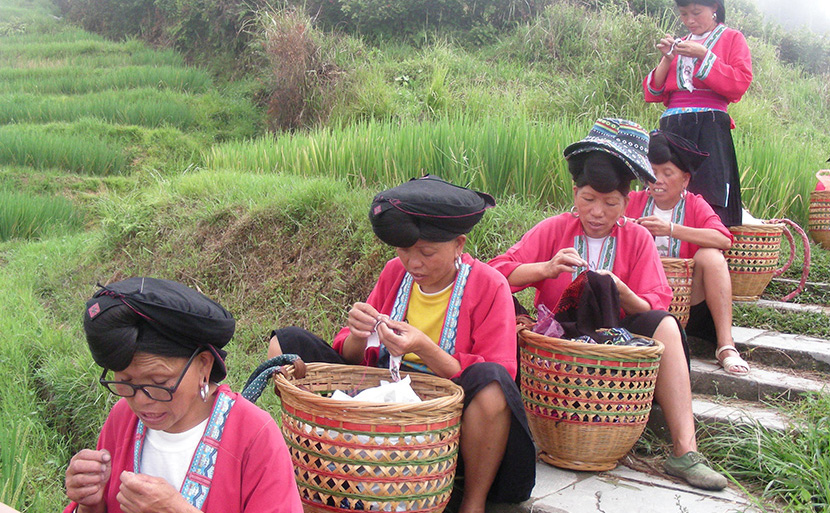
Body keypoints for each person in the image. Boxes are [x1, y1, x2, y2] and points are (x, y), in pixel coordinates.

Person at [267, 175, 536, 513]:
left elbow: (500, 371)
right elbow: (350, 357)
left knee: (493, 384)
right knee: (285, 346)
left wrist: (423, 347)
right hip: (385, 392)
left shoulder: (489, 284)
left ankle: (473, 501)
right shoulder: (395, 273)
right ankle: (315, 460)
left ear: (459, 245)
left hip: (449, 413)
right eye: (405, 251)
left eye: (427, 252)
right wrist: (358, 333)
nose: (414, 263)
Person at [489, 118, 728, 491]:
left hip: (619, 340)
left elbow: (656, 301)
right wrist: (546, 269)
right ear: (574, 193)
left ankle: (685, 451)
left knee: (665, 324)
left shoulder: (636, 238)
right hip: (560, 340)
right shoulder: (553, 229)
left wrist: (620, 292)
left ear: (626, 201)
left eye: (610, 203)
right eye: (587, 200)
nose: (597, 212)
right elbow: (495, 275)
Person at [64, 277, 303, 513]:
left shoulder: (253, 435)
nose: (141, 400)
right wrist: (90, 504)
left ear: (203, 365)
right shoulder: (122, 418)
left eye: (159, 382)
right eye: (125, 383)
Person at [627, 130, 749, 375]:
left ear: (684, 179)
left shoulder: (694, 204)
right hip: (642, 295)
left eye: (667, 173)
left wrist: (671, 229)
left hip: (686, 298)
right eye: (652, 172)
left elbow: (723, 238)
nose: (657, 180)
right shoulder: (634, 201)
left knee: (711, 256)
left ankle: (726, 345)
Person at [643, 0, 752, 227]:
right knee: (668, 183)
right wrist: (668, 58)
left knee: (710, 186)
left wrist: (704, 54)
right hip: (673, 125)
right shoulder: (681, 44)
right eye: (683, 14)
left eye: (696, 12)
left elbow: (739, 81)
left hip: (709, 125)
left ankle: (708, 240)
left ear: (714, 8)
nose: (689, 21)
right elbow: (653, 91)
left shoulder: (732, 38)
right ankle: (666, 244)